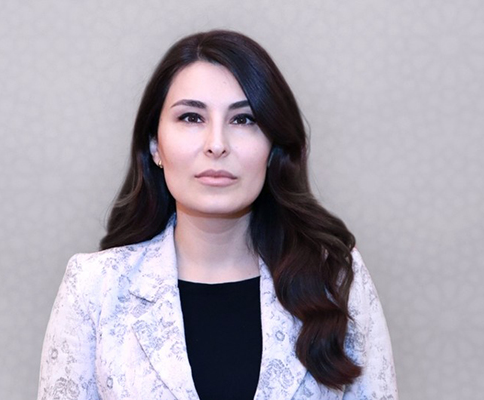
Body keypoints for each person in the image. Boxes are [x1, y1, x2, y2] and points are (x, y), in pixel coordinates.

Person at [37, 30, 397, 400]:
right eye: (191, 117)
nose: (217, 144)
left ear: (273, 147)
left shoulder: (335, 279)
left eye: (243, 120)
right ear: (155, 146)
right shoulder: (95, 288)